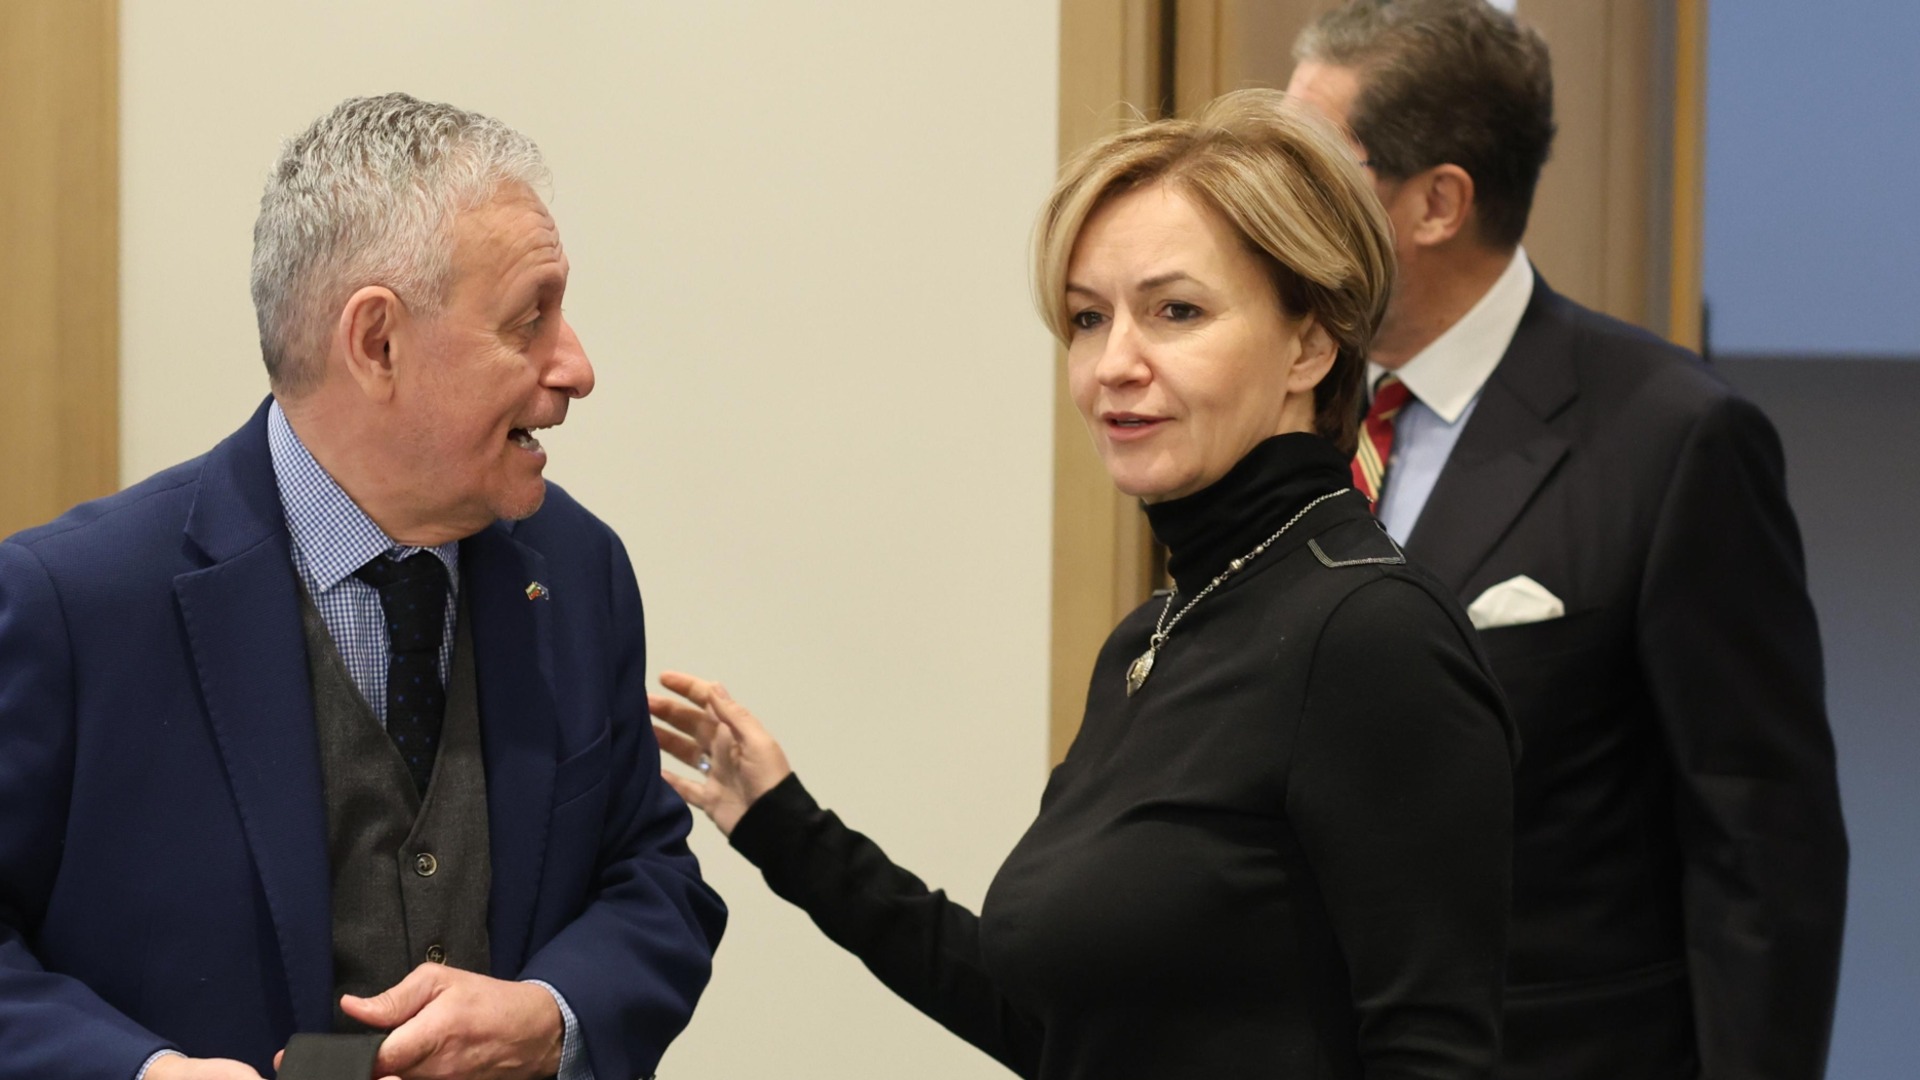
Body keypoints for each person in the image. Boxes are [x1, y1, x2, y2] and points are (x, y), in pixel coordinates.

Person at [650, 88, 1515, 1078]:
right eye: (1087, 319)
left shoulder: (1372, 633)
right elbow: (1057, 1023)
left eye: (1176, 311)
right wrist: (786, 826)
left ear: (1311, 345)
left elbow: (1435, 1054)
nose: (1113, 365)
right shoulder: (1154, 637)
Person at [0, 93, 725, 1080]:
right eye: (530, 320)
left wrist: (553, 1015)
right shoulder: (72, 604)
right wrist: (140, 1073)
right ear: (378, 342)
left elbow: (653, 877)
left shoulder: (579, 569)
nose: (577, 367)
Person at [1283, 3, 1849, 1078]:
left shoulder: (1673, 438)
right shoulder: (1282, 402)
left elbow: (1762, 846)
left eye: (1314, 165)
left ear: (1437, 203)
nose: (1277, 198)